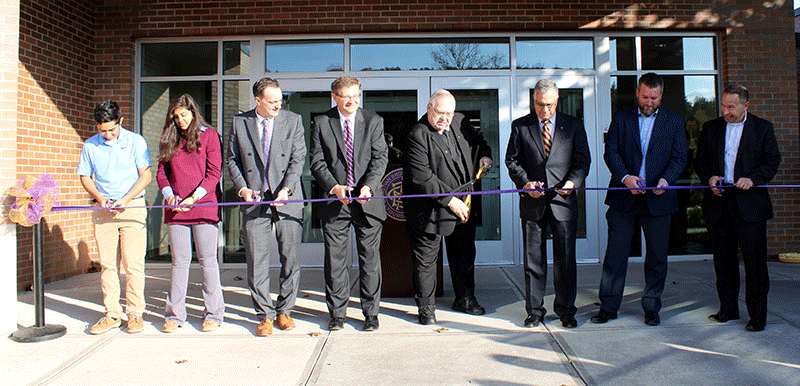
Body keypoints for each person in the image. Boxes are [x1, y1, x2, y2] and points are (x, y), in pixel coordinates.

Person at [592, 72, 687, 326]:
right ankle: (609, 307)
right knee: (616, 255)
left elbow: (679, 158)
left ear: (661, 95)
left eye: (653, 98)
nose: (648, 102)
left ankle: (652, 307)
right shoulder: (621, 117)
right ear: (637, 92)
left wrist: (666, 180)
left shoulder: (674, 121)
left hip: (659, 199)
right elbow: (610, 151)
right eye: (645, 96)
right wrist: (625, 177)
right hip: (624, 199)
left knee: (656, 257)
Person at [505, 79, 591, 329]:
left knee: (565, 258)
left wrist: (573, 183)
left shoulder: (573, 125)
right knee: (534, 259)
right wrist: (525, 183)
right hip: (533, 203)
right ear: (533, 101)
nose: (545, 111)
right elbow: (512, 161)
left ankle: (566, 310)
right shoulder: (520, 126)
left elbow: (583, 161)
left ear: (558, 100)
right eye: (540, 105)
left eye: (550, 105)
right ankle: (534, 311)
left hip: (563, 202)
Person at [696, 83, 781, 332]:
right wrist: (710, 177)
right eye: (723, 105)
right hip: (719, 202)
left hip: (750, 204)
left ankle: (757, 316)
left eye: (731, 106)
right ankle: (728, 309)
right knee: (723, 261)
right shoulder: (710, 128)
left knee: (755, 263)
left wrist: (753, 178)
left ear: (746, 105)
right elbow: (700, 161)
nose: (726, 111)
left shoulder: (763, 128)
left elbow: (772, 161)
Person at [403, 89, 492, 325]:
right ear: (429, 108)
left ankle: (465, 298)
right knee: (426, 261)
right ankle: (426, 308)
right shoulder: (417, 134)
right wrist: (450, 201)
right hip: (430, 208)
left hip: (463, 205)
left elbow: (480, 143)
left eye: (449, 114)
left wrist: (484, 156)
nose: (444, 118)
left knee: (464, 255)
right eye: (440, 113)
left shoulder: (461, 122)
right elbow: (422, 177)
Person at [227, 78, 306, 336]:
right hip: (255, 201)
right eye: (272, 101)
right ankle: (264, 315)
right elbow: (232, 160)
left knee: (289, 258)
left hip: (286, 198)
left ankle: (284, 311)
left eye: (280, 100)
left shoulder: (292, 120)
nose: (278, 105)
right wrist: (242, 189)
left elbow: (298, 159)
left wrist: (287, 189)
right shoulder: (241, 122)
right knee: (257, 261)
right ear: (257, 100)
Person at [309, 76, 388, 331]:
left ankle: (371, 313)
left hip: (367, 201)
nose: (352, 101)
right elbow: (317, 162)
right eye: (346, 96)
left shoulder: (373, 121)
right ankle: (337, 314)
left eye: (356, 95)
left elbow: (379, 158)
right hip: (335, 202)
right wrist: (334, 187)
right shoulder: (322, 122)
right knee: (335, 261)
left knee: (370, 260)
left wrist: (369, 186)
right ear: (335, 96)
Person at [78, 100, 151, 334]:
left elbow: (146, 176)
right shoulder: (90, 145)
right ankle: (112, 314)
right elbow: (85, 177)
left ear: (121, 121)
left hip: (132, 207)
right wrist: (99, 198)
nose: (107, 135)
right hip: (104, 210)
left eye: (112, 129)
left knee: (133, 265)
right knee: (108, 265)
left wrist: (127, 199)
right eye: (102, 130)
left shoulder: (136, 141)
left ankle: (135, 313)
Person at [156, 94, 225, 333]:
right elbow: (161, 173)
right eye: (175, 117)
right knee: (179, 263)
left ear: (193, 112)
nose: (180, 120)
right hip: (176, 209)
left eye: (183, 115)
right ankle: (174, 315)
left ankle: (213, 314)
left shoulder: (210, 136)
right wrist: (169, 195)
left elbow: (214, 173)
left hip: (204, 206)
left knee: (208, 262)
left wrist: (193, 198)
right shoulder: (170, 138)